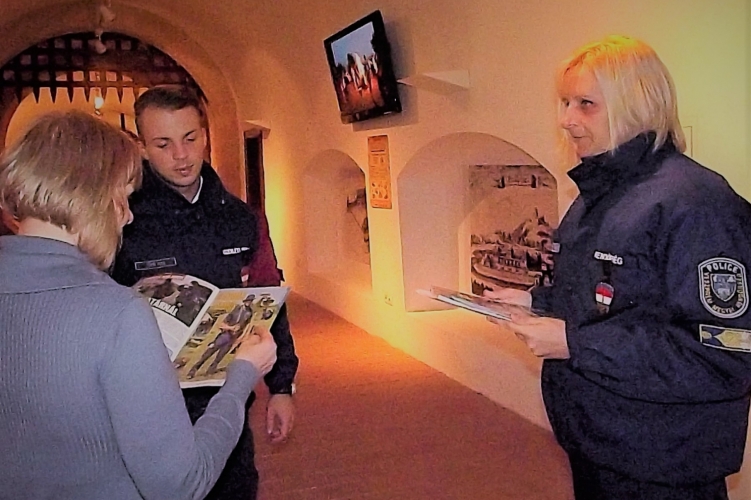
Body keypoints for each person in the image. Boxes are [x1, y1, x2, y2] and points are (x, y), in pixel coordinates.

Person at [488, 36, 751, 499]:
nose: (566, 120)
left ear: (637, 104)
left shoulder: (697, 204)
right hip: (600, 436)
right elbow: (610, 297)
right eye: (565, 103)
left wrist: (575, 343)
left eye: (585, 104)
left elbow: (725, 353)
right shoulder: (600, 194)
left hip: (661, 457)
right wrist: (536, 302)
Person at [0, 110, 278, 499]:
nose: (128, 216)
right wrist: (242, 375)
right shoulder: (118, 313)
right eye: (122, 198)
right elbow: (181, 483)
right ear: (92, 197)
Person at [111, 85, 299, 500]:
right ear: (143, 147)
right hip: (148, 406)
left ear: (206, 136)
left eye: (190, 138)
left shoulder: (241, 219)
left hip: (228, 397)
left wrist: (282, 387)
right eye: (163, 144)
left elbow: (270, 301)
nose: (181, 155)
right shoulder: (121, 223)